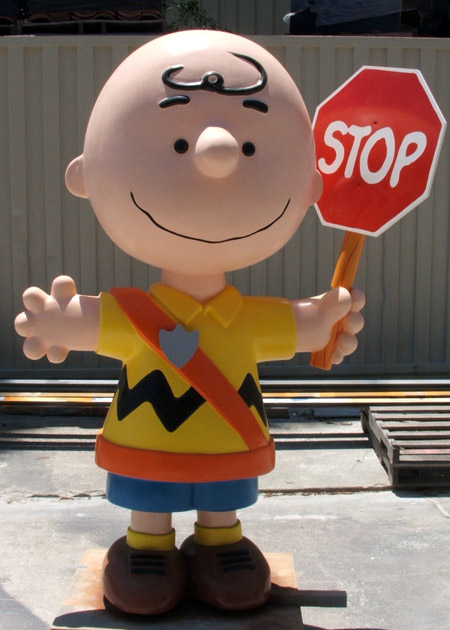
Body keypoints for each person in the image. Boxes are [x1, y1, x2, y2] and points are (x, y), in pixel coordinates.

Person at [15, 30, 364, 615]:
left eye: (249, 146)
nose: (217, 153)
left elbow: (299, 326)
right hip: (150, 439)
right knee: (149, 499)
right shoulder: (135, 314)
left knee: (222, 500)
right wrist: (58, 322)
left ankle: (220, 545)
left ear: (309, 186)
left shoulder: (246, 318)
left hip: (226, 443)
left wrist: (326, 319)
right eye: (177, 142)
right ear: (87, 175)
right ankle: (146, 548)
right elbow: (92, 322)